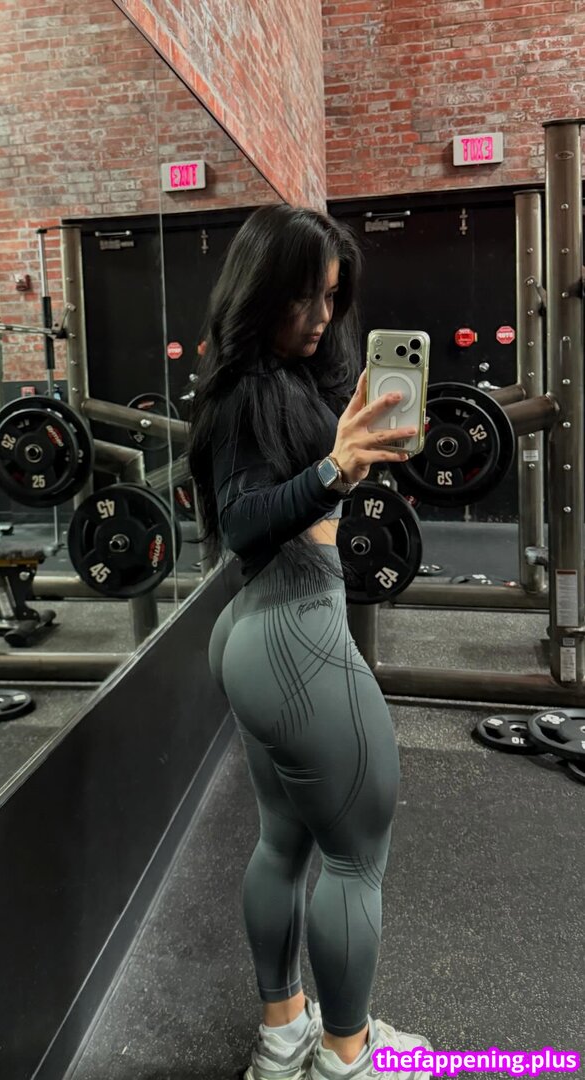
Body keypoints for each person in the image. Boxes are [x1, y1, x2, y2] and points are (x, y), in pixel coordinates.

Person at [188, 205, 432, 1080]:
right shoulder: (246, 390)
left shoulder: (279, 381)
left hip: (261, 635)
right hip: (294, 635)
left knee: (284, 844)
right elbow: (244, 521)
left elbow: (304, 478)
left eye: (332, 298)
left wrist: (358, 452)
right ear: (260, 292)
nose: (322, 317)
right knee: (356, 857)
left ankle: (284, 1034)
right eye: (305, 298)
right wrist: (334, 470)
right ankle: (346, 1056)